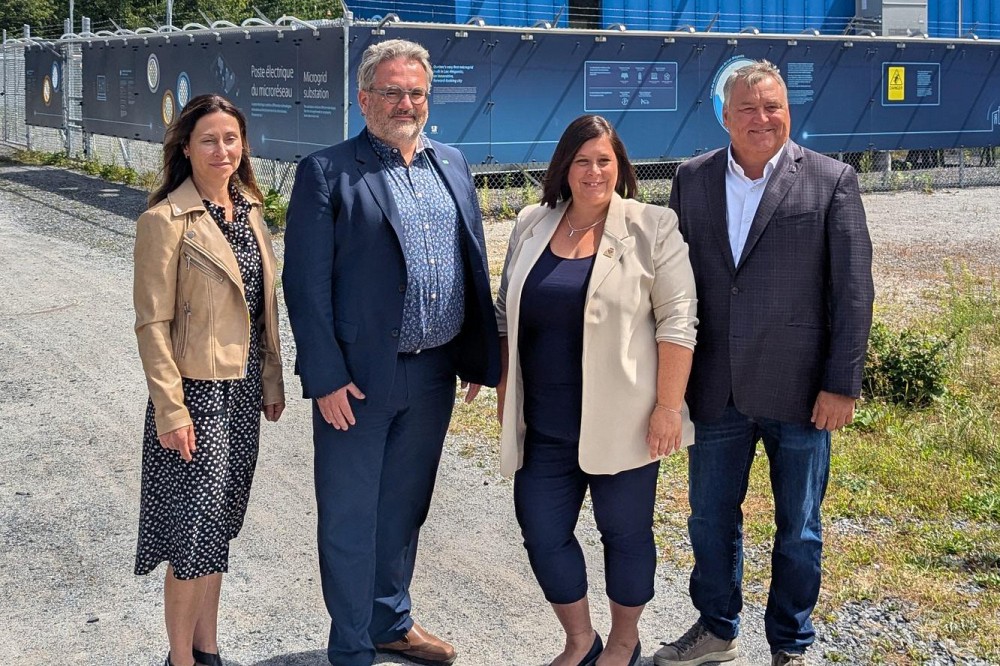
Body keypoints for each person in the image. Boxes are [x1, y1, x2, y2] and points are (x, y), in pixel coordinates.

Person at [282, 39, 500, 666]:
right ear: (363, 98)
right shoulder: (328, 171)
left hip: (433, 373)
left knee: (405, 508)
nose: (405, 103)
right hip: (357, 382)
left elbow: (472, 261)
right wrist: (324, 375)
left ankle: (390, 622)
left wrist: (476, 356)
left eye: (416, 93)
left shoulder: (452, 163)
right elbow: (305, 283)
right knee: (351, 516)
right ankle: (350, 647)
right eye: (392, 91)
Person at [654, 60, 874, 666]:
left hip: (802, 393)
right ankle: (716, 630)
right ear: (724, 116)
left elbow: (853, 291)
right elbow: (676, 285)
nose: (761, 118)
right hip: (716, 387)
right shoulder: (691, 179)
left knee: (799, 529)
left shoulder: (831, 180)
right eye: (747, 107)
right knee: (709, 519)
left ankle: (790, 644)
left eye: (772, 105)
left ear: (788, 111)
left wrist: (841, 383)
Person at [495, 114, 698, 666]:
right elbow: (506, 313)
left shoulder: (652, 225)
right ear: (564, 167)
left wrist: (668, 408)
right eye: (582, 161)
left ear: (621, 167)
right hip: (543, 425)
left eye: (604, 161)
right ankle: (581, 640)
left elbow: (678, 322)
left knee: (625, 535)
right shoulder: (532, 222)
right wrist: (504, 387)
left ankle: (625, 642)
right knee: (541, 531)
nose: (593, 172)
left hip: (626, 421)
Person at [132, 93, 286, 666]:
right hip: (194, 394)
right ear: (185, 149)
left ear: (243, 144)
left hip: (242, 392)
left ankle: (208, 647)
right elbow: (152, 324)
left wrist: (270, 380)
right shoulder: (164, 220)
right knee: (192, 534)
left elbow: (262, 306)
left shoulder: (250, 210)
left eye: (231, 138)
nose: (222, 150)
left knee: (220, 526)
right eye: (208, 140)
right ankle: (180, 658)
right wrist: (171, 410)